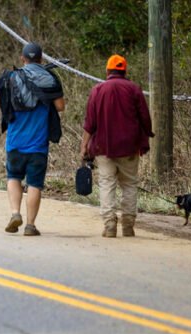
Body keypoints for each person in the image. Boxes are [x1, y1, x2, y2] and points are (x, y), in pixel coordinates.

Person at [0, 42, 65, 236]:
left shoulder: (11, 78)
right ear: (41, 59)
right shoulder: (49, 78)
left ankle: (15, 213)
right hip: (38, 145)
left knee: (13, 177)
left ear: (22, 59)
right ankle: (30, 225)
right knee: (34, 184)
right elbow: (60, 106)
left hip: (15, 142)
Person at [80, 54, 153, 237]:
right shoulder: (134, 89)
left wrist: (84, 146)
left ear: (107, 71)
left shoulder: (98, 90)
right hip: (129, 147)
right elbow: (145, 118)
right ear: (125, 71)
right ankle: (128, 225)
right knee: (129, 184)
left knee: (106, 184)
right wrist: (146, 137)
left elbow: (90, 123)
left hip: (103, 148)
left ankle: (109, 224)